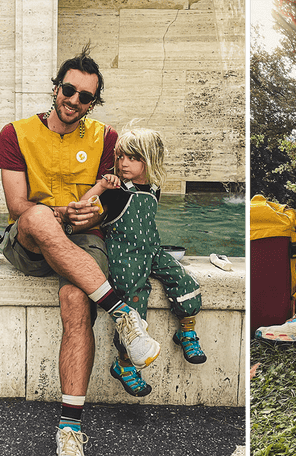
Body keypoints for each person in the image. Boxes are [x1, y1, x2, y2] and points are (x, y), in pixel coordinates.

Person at [0, 48, 160, 456]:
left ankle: (70, 433)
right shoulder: (16, 133)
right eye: (69, 90)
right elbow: (15, 205)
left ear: (92, 103)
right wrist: (58, 213)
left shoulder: (106, 138)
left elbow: (109, 199)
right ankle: (123, 313)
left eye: (85, 96)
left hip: (83, 241)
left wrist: (96, 214)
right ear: (56, 88)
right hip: (30, 237)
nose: (74, 100)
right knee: (39, 216)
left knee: (74, 300)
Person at [80, 128, 205, 398]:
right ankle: (124, 365)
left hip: (151, 250)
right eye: (121, 156)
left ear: (149, 159)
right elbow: (81, 207)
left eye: (133, 158)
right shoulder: (116, 191)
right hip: (125, 257)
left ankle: (186, 331)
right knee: (135, 304)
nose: (124, 163)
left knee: (185, 282)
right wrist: (101, 186)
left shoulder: (154, 189)